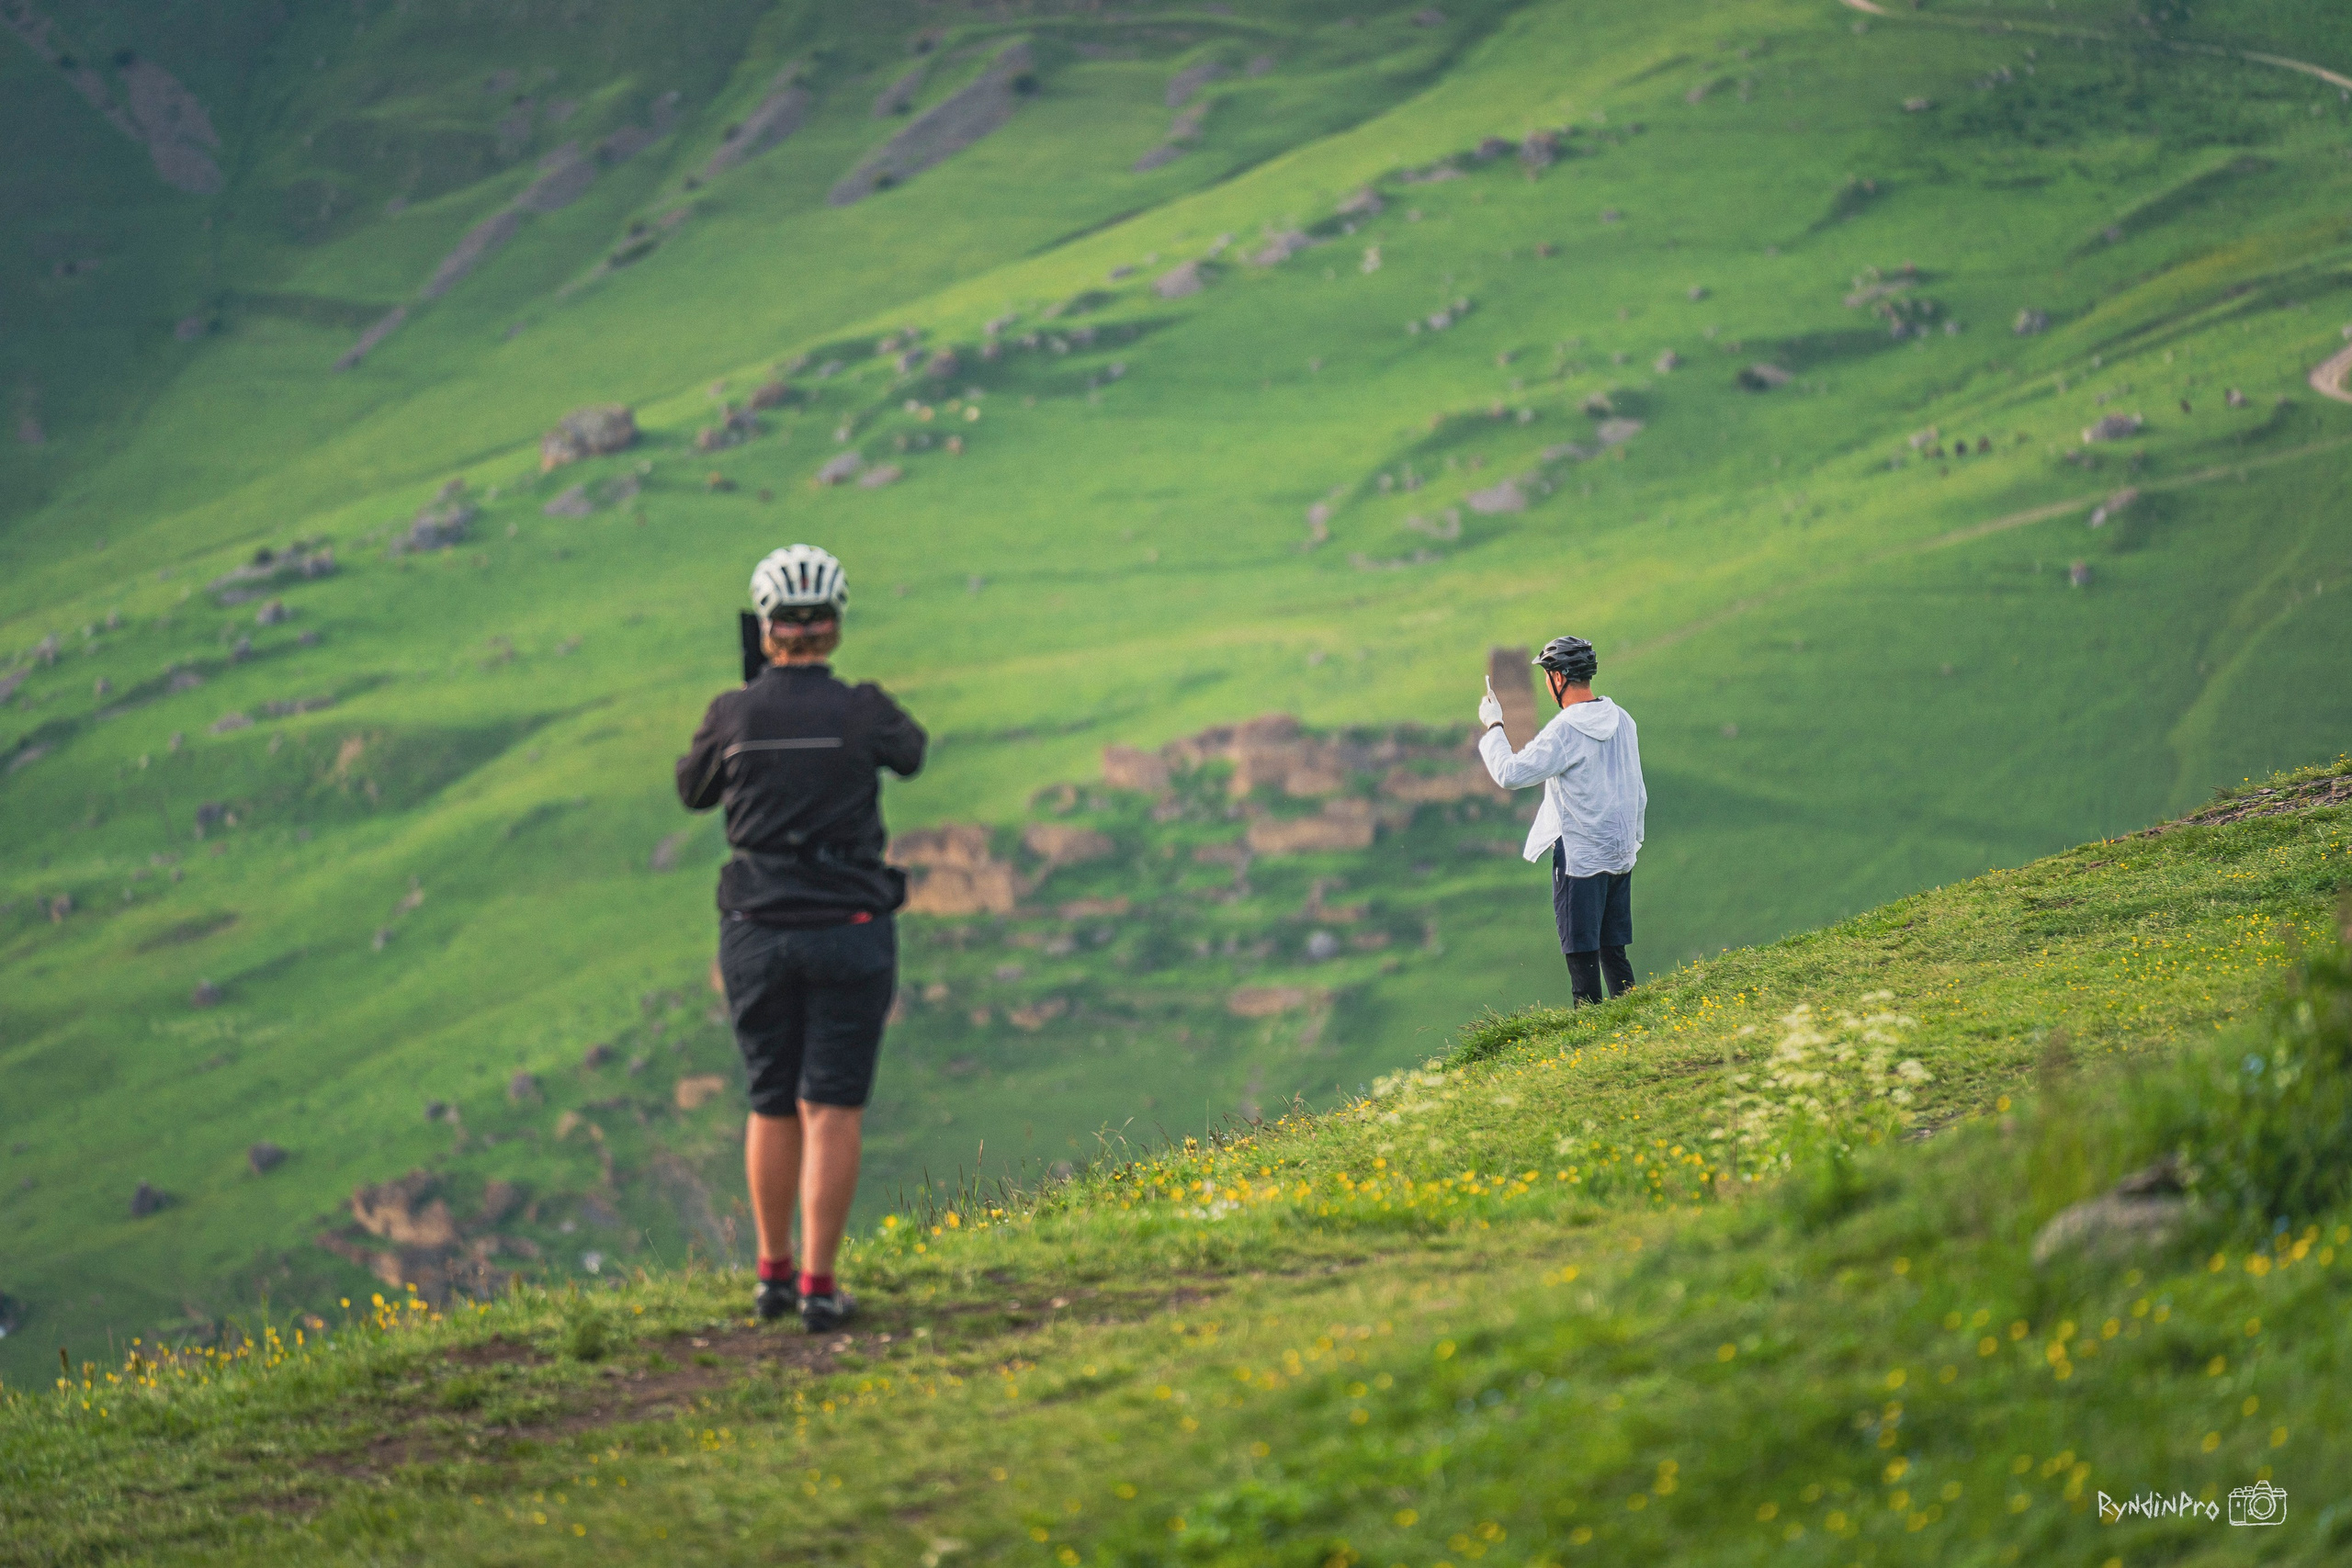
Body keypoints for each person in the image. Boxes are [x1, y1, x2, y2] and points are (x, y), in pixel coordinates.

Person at [675, 545, 926, 1330]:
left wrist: (755, 697)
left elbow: (693, 790)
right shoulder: (862, 709)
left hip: (756, 929)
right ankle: (820, 1285)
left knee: (770, 1098)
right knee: (832, 1106)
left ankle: (772, 1274)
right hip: (849, 926)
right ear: (834, 627)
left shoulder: (733, 713)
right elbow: (912, 754)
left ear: (767, 627)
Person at [1476, 636, 1646, 1006]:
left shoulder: (1565, 730)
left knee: (1581, 963)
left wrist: (1494, 725)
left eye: (1547, 676)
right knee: (1613, 952)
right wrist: (1631, 843)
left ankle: (1590, 1036)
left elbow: (1510, 773)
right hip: (1619, 853)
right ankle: (1638, 1025)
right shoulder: (1624, 721)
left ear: (1558, 678)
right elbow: (1638, 790)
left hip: (1579, 859)